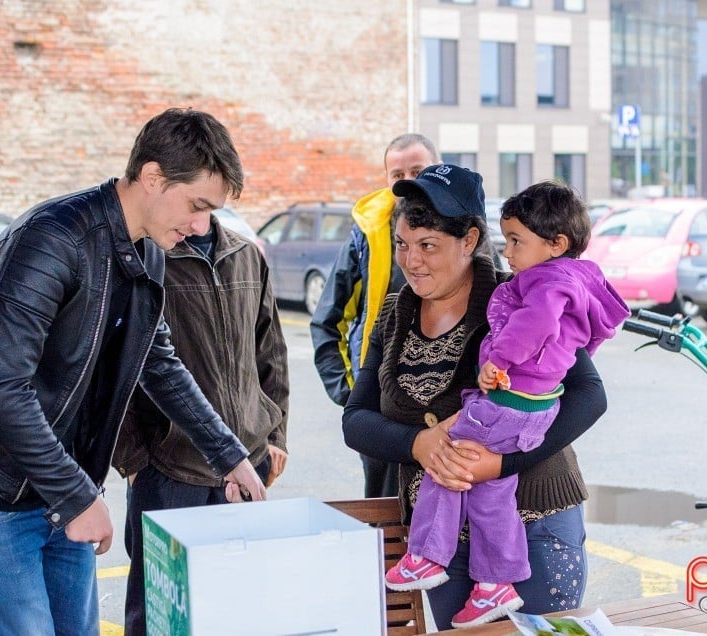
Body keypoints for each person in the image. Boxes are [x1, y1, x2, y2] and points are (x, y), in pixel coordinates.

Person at [0, 108, 267, 635]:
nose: (200, 227)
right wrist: (77, 496)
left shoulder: (151, 248)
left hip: (62, 487)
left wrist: (228, 453)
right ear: (151, 177)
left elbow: (157, 361)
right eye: (196, 206)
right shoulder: (51, 240)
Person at [342, 164, 609, 630]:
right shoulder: (393, 312)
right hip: (439, 548)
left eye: (428, 246)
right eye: (403, 244)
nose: (412, 261)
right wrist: (417, 445)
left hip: (534, 527)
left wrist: (499, 466)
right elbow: (356, 419)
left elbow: (589, 396)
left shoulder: (521, 300)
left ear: (468, 241)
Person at [112, 209, 290, 636]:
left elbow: (271, 354)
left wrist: (275, 435)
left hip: (247, 464)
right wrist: (135, 462)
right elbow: (118, 368)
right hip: (170, 471)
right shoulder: (147, 259)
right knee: (157, 614)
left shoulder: (248, 255)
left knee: (237, 606)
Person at [311, 133, 439, 498]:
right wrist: (351, 394)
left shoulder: (463, 227)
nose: (408, 182)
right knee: (386, 514)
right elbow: (327, 319)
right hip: (382, 405)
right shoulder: (366, 235)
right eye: (397, 174)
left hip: (448, 406)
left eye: (419, 170)